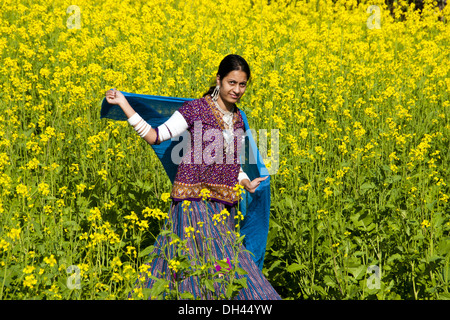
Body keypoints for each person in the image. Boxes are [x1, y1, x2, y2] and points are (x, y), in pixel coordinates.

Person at [105, 54, 281, 300]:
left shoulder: (239, 118)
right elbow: (155, 136)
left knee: (222, 272)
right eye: (232, 82)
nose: (237, 90)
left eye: (242, 84)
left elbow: (232, 163)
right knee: (197, 271)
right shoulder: (195, 109)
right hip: (192, 204)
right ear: (219, 80)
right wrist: (124, 103)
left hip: (225, 206)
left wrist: (245, 182)